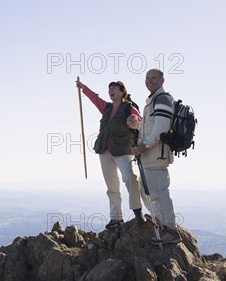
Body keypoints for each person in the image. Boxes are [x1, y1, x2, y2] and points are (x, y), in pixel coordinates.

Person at [76, 79, 145, 229]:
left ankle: (137, 212)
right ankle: (116, 218)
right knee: (111, 186)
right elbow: (95, 98)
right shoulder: (106, 108)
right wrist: (83, 87)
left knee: (131, 178)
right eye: (110, 88)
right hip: (104, 150)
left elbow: (141, 121)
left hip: (123, 151)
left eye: (114, 88)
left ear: (122, 92)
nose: (111, 90)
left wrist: (135, 121)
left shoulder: (129, 108)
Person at [132, 68, 181, 245]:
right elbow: (150, 128)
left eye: (154, 78)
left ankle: (171, 231)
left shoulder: (163, 99)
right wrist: (136, 125)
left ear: (162, 80)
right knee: (149, 192)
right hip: (149, 156)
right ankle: (163, 225)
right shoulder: (152, 101)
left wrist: (144, 146)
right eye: (147, 78)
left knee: (160, 194)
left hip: (156, 156)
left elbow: (160, 128)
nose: (150, 81)